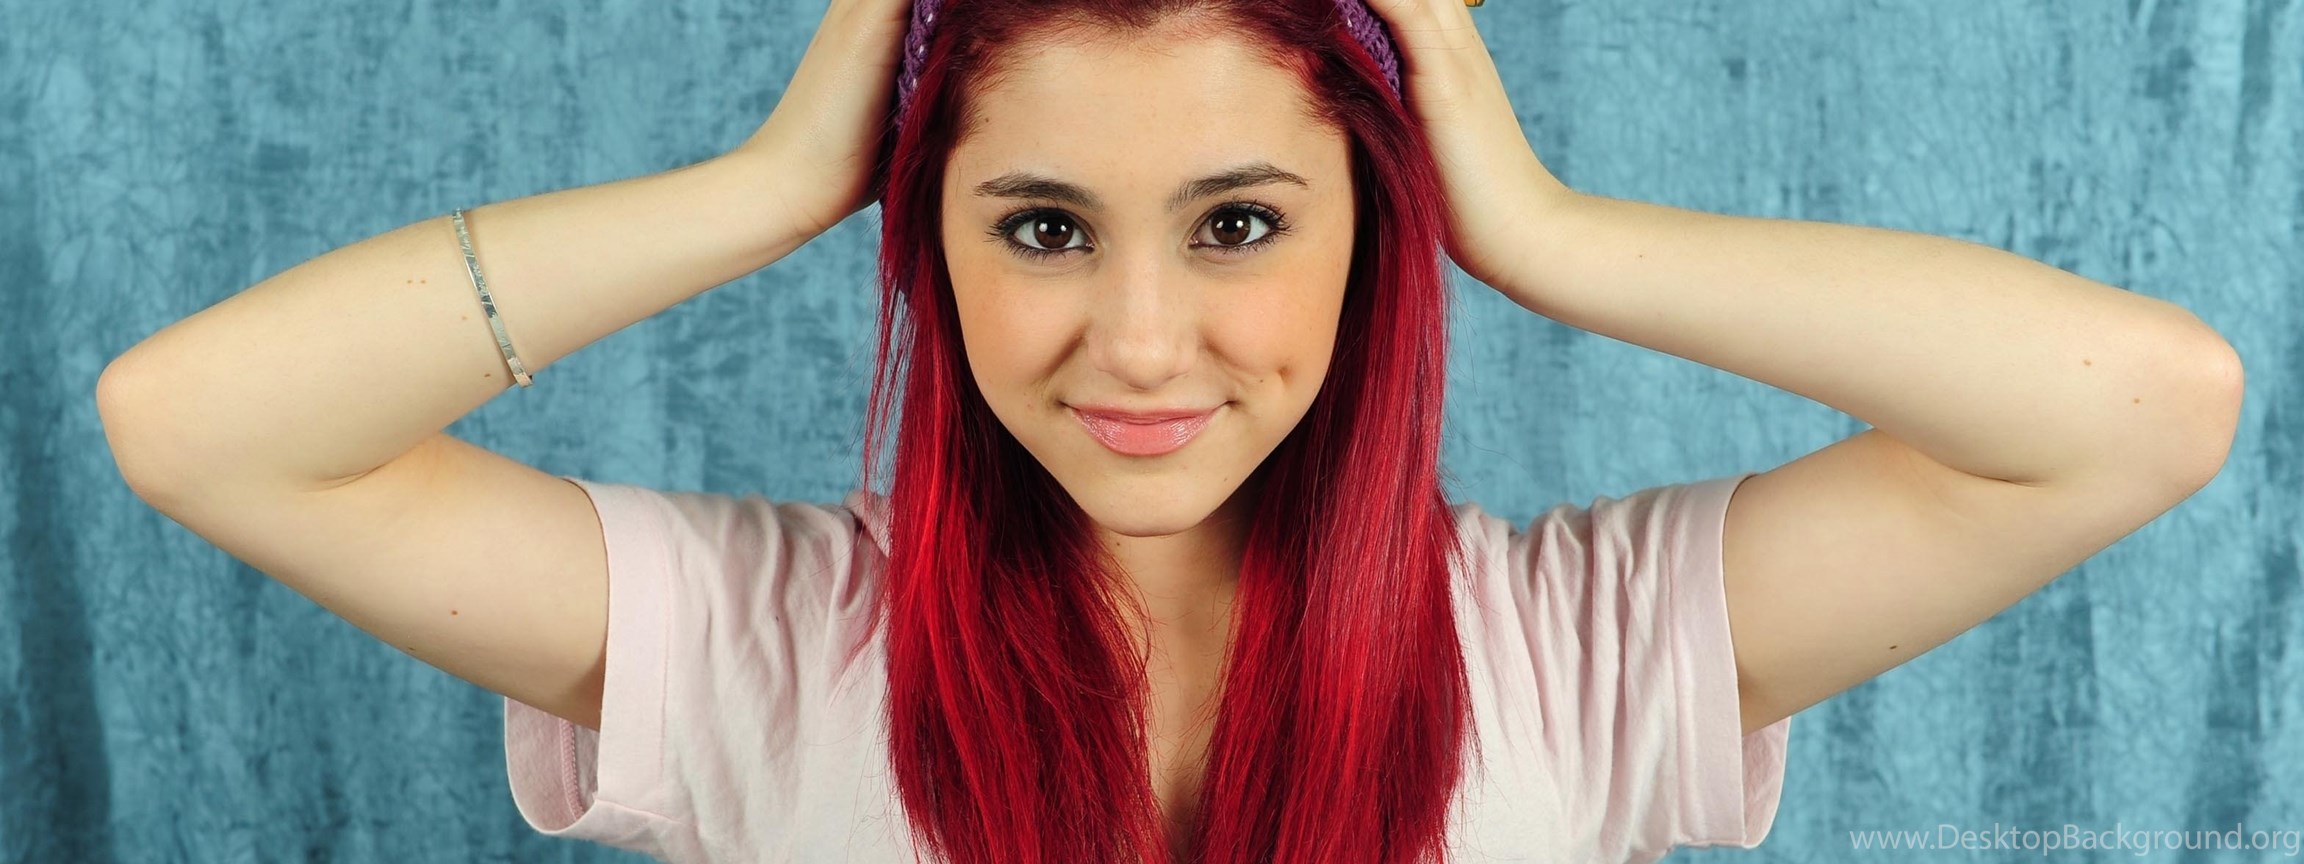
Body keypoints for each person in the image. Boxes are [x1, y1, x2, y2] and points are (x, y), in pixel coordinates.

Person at [92, 0, 2243, 860]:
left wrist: (1551, 232)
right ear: (930, 241)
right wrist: (761, 185)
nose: (1139, 343)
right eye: (1041, 225)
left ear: (1372, 234)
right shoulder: (758, 643)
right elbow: (202, 428)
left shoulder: (1568, 647)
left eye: (1238, 223)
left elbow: (2145, 412)